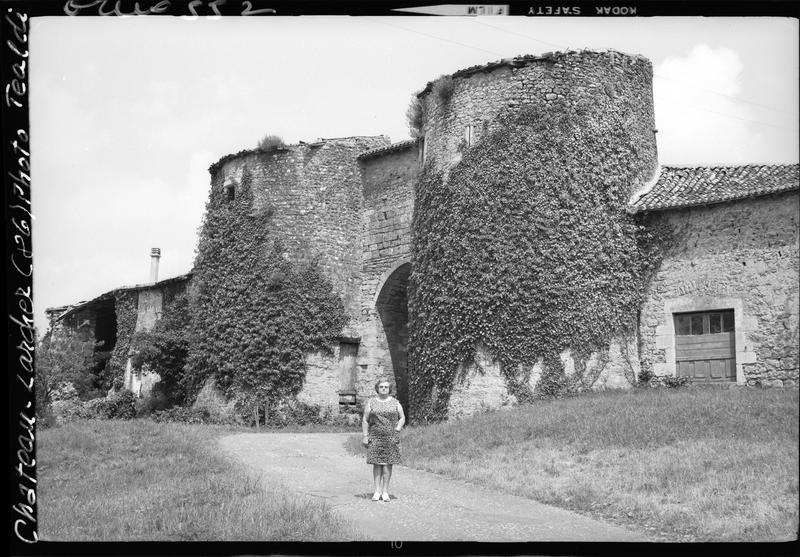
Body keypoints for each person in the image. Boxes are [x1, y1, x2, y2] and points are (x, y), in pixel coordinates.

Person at [362, 378, 405, 502]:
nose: (384, 389)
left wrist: (397, 429)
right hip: (375, 437)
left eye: (386, 387)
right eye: (381, 387)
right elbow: (365, 420)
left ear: (389, 389)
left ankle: (385, 492)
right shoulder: (371, 402)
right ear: (377, 388)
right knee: (377, 464)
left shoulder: (395, 402)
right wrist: (365, 436)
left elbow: (402, 417)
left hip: (391, 437)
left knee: (387, 465)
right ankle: (377, 491)